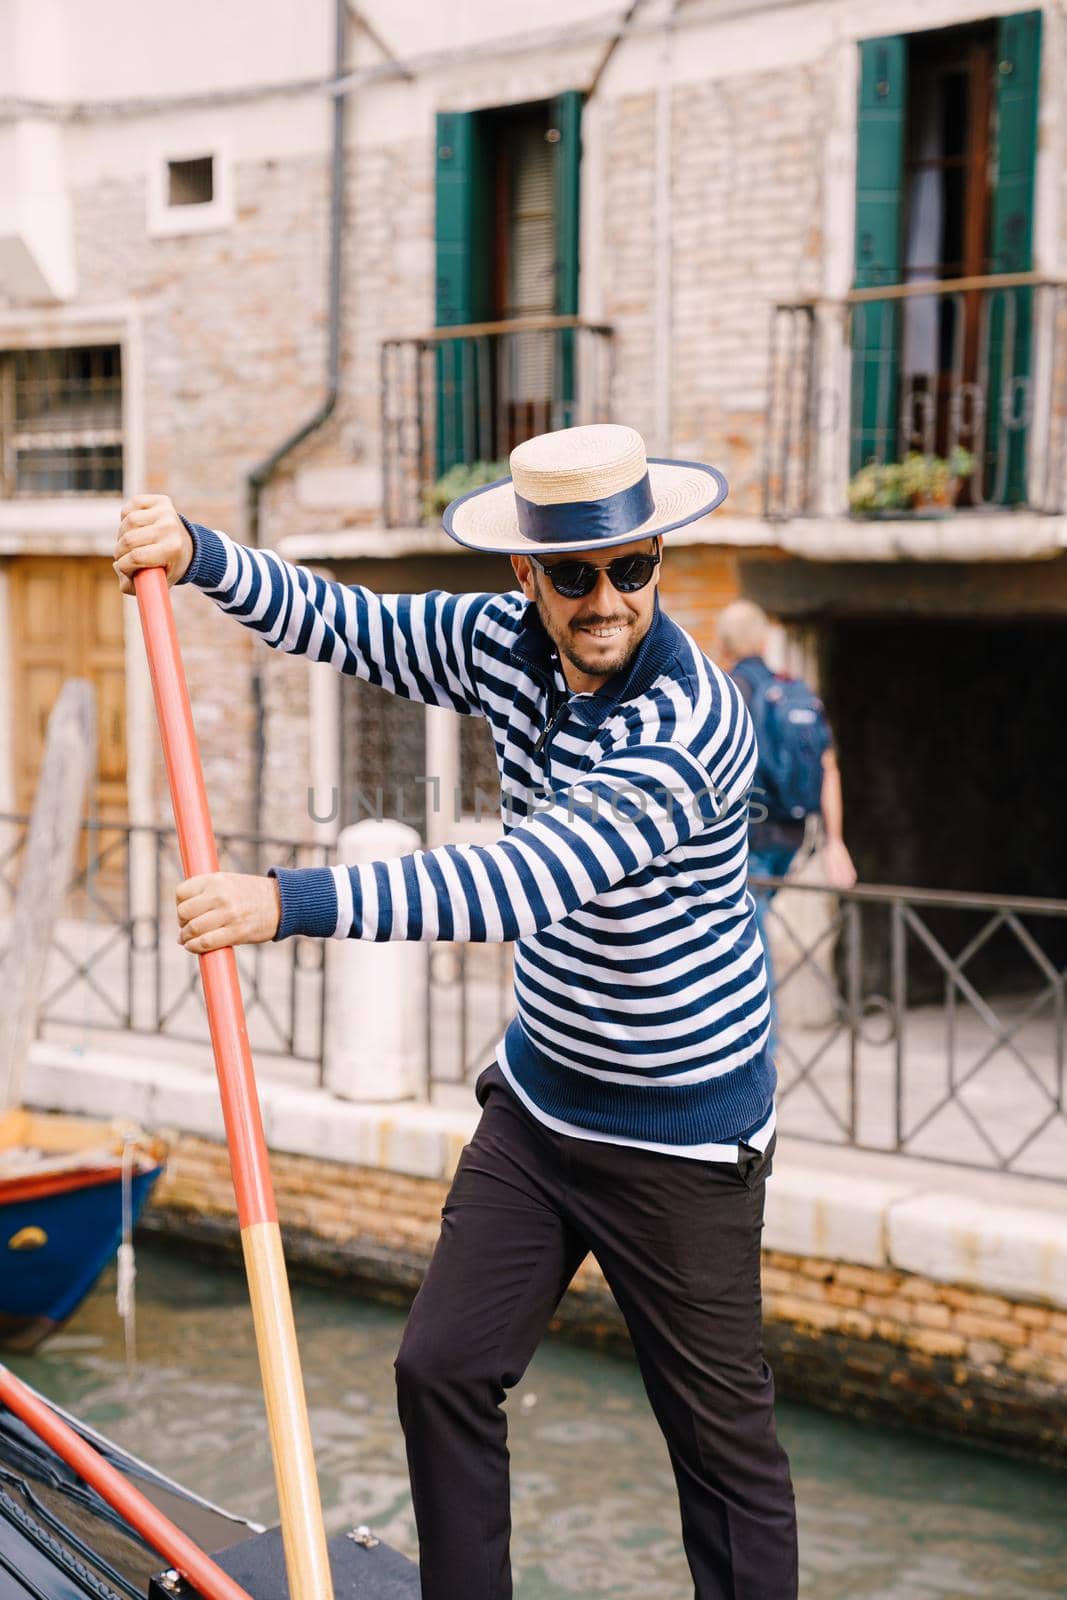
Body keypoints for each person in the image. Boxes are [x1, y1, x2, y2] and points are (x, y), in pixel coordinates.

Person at [114, 423, 799, 1600]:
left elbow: (516, 879)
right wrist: (204, 553)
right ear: (524, 575)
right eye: (574, 574)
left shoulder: (684, 727)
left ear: (656, 564)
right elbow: (357, 627)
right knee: (439, 1368)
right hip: (541, 1105)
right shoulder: (500, 640)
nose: (605, 601)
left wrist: (284, 901)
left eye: (630, 568)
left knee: (721, 1457)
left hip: (682, 1137)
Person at [716, 599, 856, 1041]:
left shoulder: (727, 691)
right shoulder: (794, 690)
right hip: (792, 837)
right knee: (746, 930)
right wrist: (836, 841)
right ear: (763, 641)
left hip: (748, 839)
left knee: (747, 940)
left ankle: (763, 1046)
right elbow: (830, 766)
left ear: (723, 646)